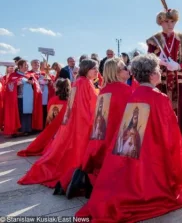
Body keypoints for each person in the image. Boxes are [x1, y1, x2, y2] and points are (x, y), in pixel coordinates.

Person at [75, 54, 182, 222]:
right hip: (151, 156)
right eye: (158, 70)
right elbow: (170, 135)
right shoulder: (158, 97)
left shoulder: (134, 94)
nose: (160, 73)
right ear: (152, 74)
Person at [18, 59, 99, 187]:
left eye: (97, 68)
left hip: (76, 122)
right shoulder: (85, 83)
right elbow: (89, 106)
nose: (97, 71)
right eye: (94, 68)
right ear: (86, 69)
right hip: (83, 123)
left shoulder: (79, 81)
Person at [63, 58, 133, 198]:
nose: (128, 69)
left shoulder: (104, 89)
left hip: (100, 137)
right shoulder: (125, 90)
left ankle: (83, 180)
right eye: (124, 67)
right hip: (115, 139)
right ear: (117, 71)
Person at [146, 0, 182, 169]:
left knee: (180, 123)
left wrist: (178, 66)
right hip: (161, 86)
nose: (170, 24)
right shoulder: (154, 41)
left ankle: (180, 157)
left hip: (180, 86)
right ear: (161, 22)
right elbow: (148, 64)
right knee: (161, 122)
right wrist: (158, 62)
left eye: (173, 21)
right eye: (167, 21)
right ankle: (161, 158)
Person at [18, 78, 71, 157]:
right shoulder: (70, 100)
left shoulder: (54, 100)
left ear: (57, 87)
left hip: (56, 132)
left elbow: (51, 120)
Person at [3, 60, 43, 136]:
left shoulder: (30, 75)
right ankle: (19, 130)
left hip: (29, 98)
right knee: (21, 113)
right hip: (19, 98)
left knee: (28, 113)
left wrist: (33, 83)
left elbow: (37, 86)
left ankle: (27, 129)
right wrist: (17, 83)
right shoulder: (14, 75)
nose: (27, 66)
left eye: (28, 65)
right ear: (20, 66)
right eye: (26, 65)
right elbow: (10, 85)